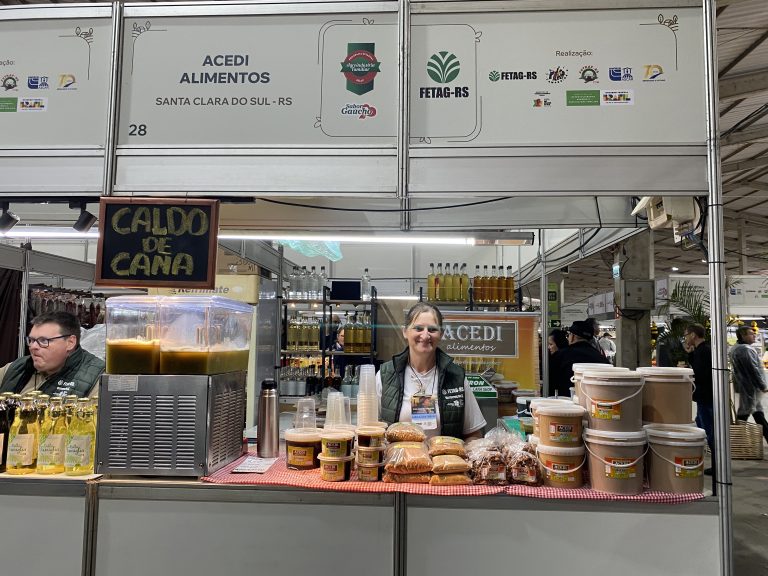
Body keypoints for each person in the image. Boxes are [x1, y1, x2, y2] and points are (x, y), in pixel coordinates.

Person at [376, 302, 486, 440]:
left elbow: (473, 434)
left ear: (441, 334)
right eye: (418, 328)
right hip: (398, 455)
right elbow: (371, 430)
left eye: (432, 329)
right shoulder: (385, 375)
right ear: (405, 332)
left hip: (444, 454)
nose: (425, 335)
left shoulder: (456, 377)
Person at [0, 311, 105, 397]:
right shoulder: (14, 368)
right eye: (31, 340)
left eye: (43, 340)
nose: (33, 346)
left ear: (70, 343)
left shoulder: (99, 379)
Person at [683, 324, 715, 473]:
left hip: (706, 397)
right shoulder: (702, 350)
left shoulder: (703, 351)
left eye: (686, 335)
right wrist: (690, 354)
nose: (685, 338)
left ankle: (717, 466)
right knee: (701, 425)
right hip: (704, 396)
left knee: (709, 431)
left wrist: (687, 373)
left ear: (693, 335)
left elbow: (700, 374)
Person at [549, 320, 610, 396]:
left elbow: (551, 382)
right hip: (594, 400)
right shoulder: (601, 358)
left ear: (572, 336)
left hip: (566, 400)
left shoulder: (560, 356)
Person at [729, 325, 768, 443]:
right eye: (751, 334)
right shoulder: (745, 350)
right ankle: (735, 441)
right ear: (743, 335)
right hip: (750, 387)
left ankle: (735, 441)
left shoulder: (737, 348)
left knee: (755, 412)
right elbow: (753, 369)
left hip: (747, 387)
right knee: (746, 414)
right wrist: (762, 385)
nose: (754, 335)